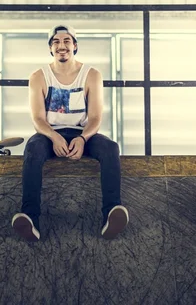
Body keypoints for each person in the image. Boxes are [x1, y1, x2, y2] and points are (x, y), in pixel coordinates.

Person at [11, 24, 129, 242]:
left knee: (111, 148)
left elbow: (95, 118)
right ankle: (30, 218)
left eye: (66, 41)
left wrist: (83, 139)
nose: (61, 46)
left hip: (82, 134)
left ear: (75, 46)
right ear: (50, 49)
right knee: (33, 148)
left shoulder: (91, 75)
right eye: (56, 42)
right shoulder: (39, 76)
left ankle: (111, 213)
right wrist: (54, 137)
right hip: (49, 135)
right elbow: (38, 118)